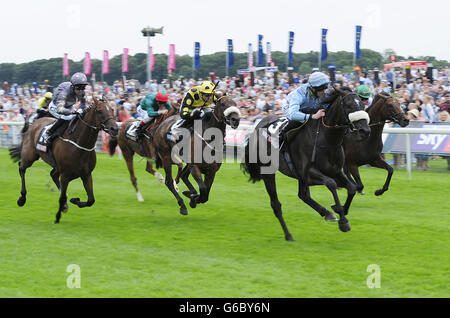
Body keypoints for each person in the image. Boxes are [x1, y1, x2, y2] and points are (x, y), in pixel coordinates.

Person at [45, 72, 88, 147]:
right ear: (73, 86)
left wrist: (83, 110)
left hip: (69, 106)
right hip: (55, 106)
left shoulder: (82, 93)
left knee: (79, 117)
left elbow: (84, 105)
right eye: (78, 87)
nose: (80, 90)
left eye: (83, 87)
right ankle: (49, 133)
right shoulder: (64, 92)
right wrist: (72, 112)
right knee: (67, 117)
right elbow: (60, 109)